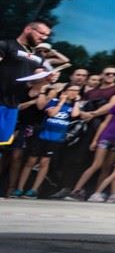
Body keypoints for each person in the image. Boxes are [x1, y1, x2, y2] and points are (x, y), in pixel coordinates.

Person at [14, 84, 82, 198]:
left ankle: (34, 190)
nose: (75, 92)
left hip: (56, 138)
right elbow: (52, 113)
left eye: (77, 91)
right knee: (31, 161)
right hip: (43, 135)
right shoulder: (53, 101)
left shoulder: (73, 106)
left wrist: (77, 102)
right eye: (72, 90)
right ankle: (19, 188)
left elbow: (75, 115)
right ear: (65, 91)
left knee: (44, 163)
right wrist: (61, 102)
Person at [0, 21, 53, 153]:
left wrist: (47, 79)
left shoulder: (38, 57)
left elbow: (35, 84)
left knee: (1, 145)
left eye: (47, 36)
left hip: (12, 106)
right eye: (41, 33)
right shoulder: (6, 45)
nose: (44, 38)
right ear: (28, 29)